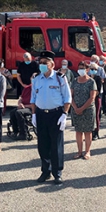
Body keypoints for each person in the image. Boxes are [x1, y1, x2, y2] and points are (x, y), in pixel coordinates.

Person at [30, 51, 72, 185]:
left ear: (52, 64)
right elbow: (33, 98)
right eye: (40, 63)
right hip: (41, 114)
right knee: (43, 145)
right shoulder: (36, 79)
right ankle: (45, 171)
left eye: (45, 63)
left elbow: (67, 97)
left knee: (56, 146)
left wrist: (64, 114)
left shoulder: (60, 77)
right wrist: (34, 114)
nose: (42, 65)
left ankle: (57, 173)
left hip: (56, 114)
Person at [71, 60, 98, 159]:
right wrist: (75, 108)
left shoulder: (91, 81)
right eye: (79, 68)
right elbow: (70, 95)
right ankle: (79, 152)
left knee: (87, 131)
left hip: (88, 110)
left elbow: (92, 98)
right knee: (78, 131)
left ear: (87, 69)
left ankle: (87, 151)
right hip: (76, 109)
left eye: (83, 68)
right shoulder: (74, 81)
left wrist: (82, 108)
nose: (80, 70)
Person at [88, 62, 103, 140]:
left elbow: (98, 90)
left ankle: (96, 132)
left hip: (96, 98)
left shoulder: (98, 78)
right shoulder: (88, 78)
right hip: (88, 99)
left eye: (95, 69)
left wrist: (92, 97)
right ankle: (90, 132)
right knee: (90, 116)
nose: (93, 70)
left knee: (96, 115)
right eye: (91, 69)